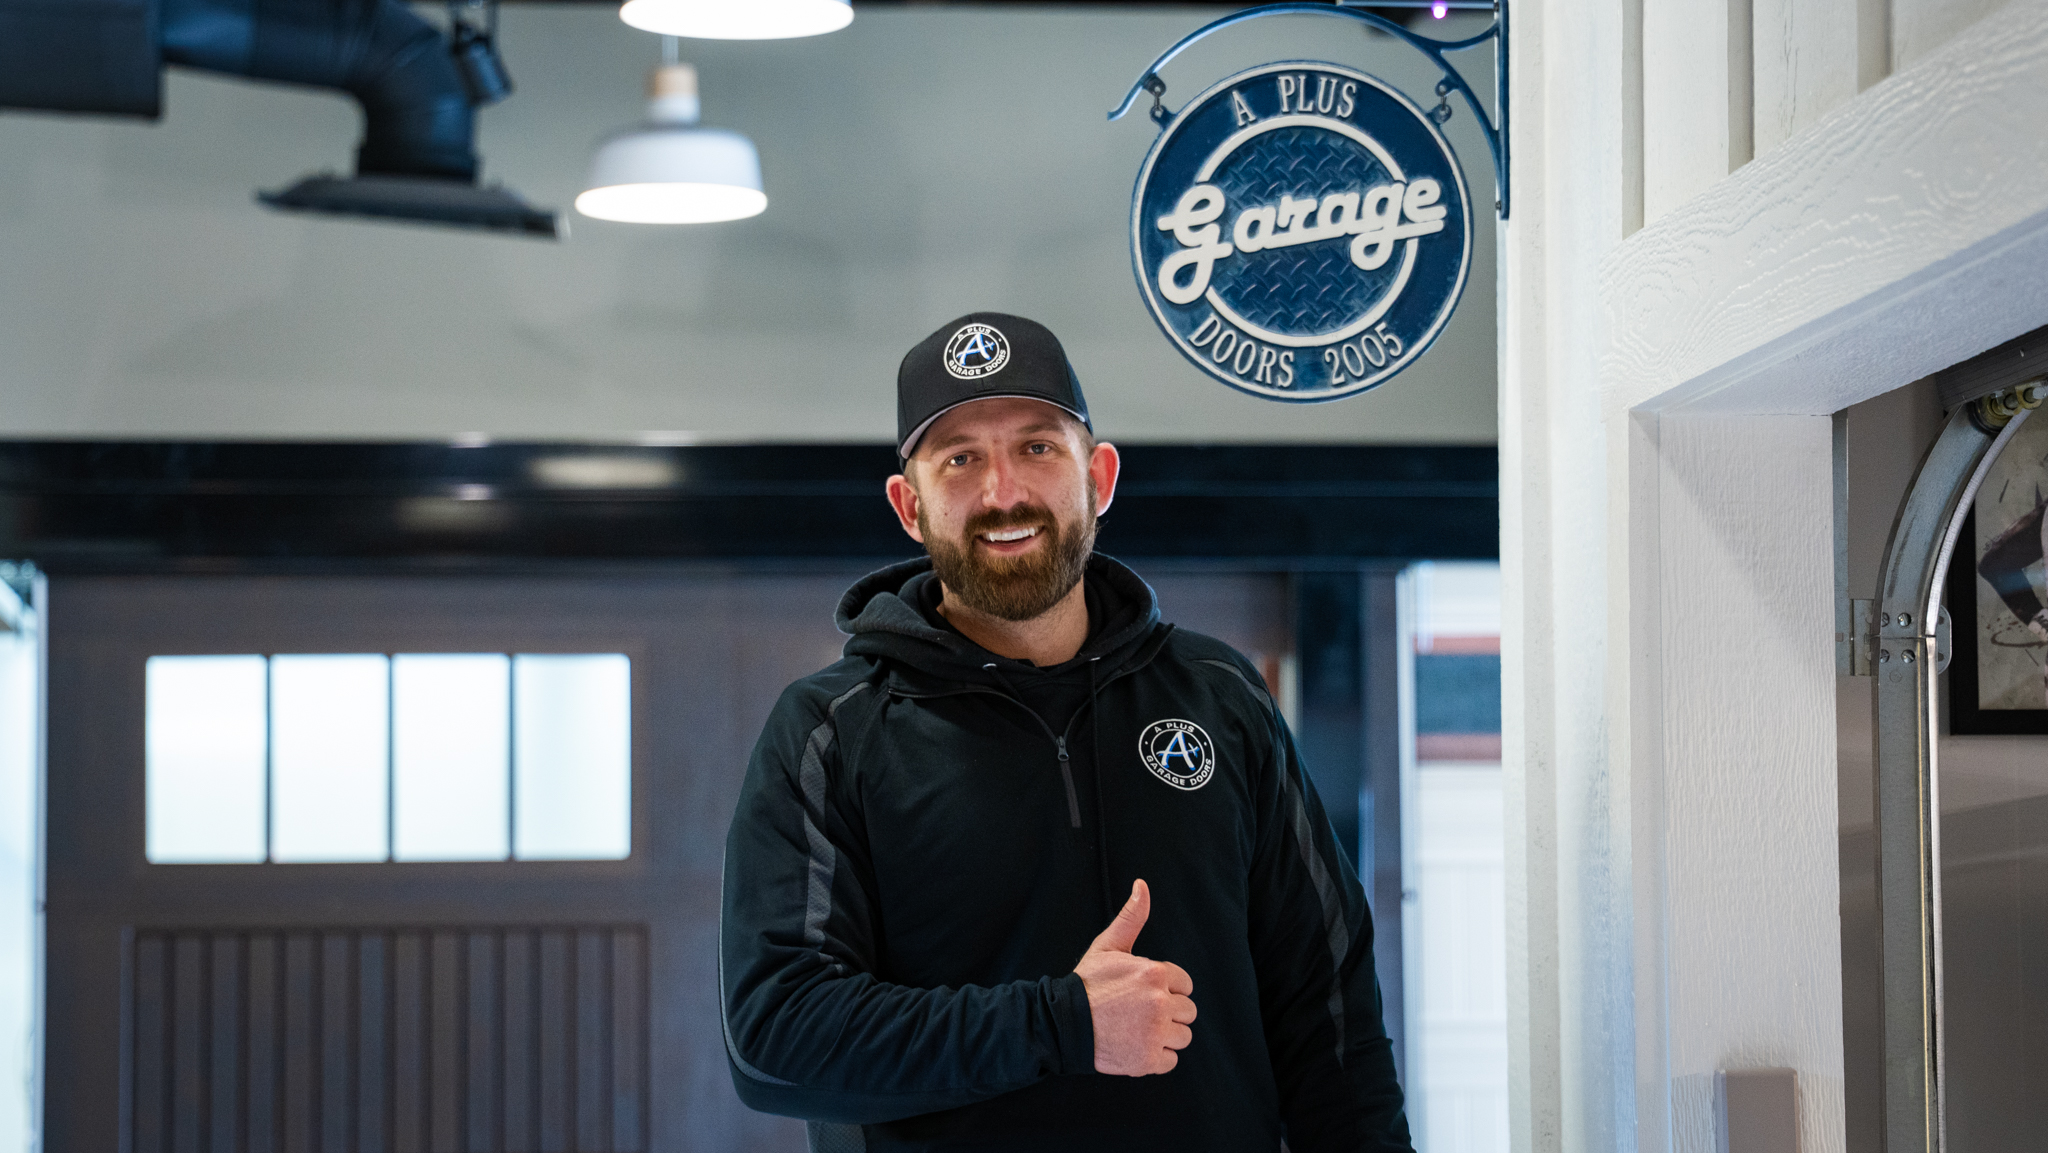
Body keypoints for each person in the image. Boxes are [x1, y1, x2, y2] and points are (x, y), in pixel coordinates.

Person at [719, 312, 1413, 1152]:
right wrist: (1063, 1024)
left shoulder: (1222, 697)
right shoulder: (828, 734)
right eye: (960, 458)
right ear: (910, 506)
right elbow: (776, 1038)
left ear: (1101, 476)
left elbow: (1328, 1008)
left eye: (1038, 447)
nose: (1002, 492)